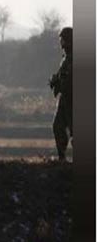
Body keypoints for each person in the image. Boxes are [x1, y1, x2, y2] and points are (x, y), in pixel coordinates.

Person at [50, 26, 73, 160]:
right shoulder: (65, 58)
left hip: (73, 100)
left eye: (63, 39)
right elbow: (62, 77)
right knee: (58, 127)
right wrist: (56, 82)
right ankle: (61, 158)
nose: (61, 42)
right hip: (64, 99)